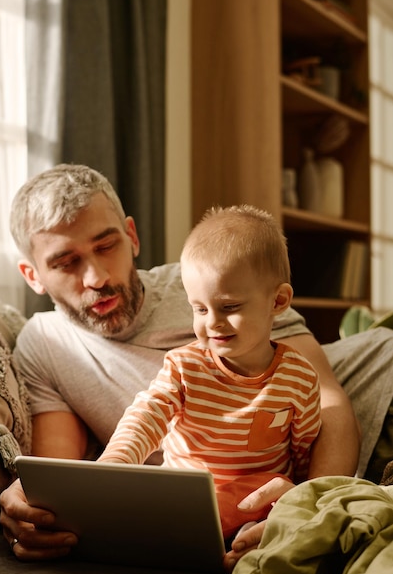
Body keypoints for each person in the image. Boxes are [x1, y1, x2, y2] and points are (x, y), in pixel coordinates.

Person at [0, 162, 385, 572]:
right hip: (203, 487)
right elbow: (65, 462)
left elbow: (324, 401)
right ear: (33, 275)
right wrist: (35, 508)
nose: (96, 276)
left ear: (131, 236)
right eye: (66, 262)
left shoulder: (215, 277)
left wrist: (307, 507)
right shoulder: (44, 343)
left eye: (106, 245)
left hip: (350, 406)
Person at [98, 205, 321, 539]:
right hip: (187, 497)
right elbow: (148, 414)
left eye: (229, 307)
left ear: (278, 301)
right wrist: (118, 459)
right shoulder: (184, 366)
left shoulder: (298, 378)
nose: (212, 322)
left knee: (280, 492)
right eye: (199, 309)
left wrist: (300, 500)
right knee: (145, 501)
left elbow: (304, 454)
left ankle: (248, 541)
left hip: (255, 499)